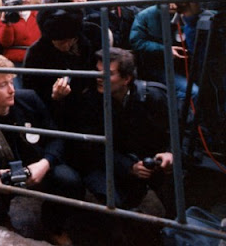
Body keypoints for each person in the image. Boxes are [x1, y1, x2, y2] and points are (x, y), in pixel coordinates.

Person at [0, 54, 83, 236]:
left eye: (11, 82)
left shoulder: (29, 99)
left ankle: (52, 227)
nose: (12, 90)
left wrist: (44, 163)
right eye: (3, 85)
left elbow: (56, 138)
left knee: (71, 181)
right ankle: (4, 230)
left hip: (34, 167)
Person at [71, 48, 174, 217]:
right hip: (113, 162)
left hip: (151, 161)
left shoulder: (154, 96)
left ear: (127, 78)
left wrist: (170, 153)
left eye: (108, 74)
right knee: (116, 205)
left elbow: (179, 129)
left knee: (175, 195)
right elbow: (91, 147)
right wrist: (129, 167)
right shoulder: (90, 101)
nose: (99, 77)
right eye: (98, 71)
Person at [129, 0, 199, 106]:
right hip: (159, 67)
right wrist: (164, 49)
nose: (171, 4)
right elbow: (136, 41)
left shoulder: (190, 13)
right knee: (193, 92)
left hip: (190, 65)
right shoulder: (146, 15)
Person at [0, 0, 39, 88]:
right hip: (15, 61)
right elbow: (6, 42)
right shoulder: (9, 15)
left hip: (34, 60)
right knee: (17, 91)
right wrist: (7, 24)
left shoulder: (37, 14)